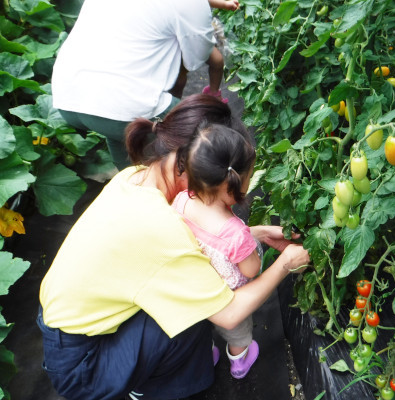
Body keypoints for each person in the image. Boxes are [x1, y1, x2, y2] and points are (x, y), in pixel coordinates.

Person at [37, 94, 310, 400]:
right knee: (196, 310)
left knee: (194, 290)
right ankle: (145, 389)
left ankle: (168, 370)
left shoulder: (136, 177)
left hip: (68, 323)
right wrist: (285, 263)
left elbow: (199, 238)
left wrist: (254, 233)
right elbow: (230, 313)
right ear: (192, 161)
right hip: (85, 363)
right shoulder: (161, 226)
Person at [52, 0, 235, 170]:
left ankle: (131, 186)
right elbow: (196, 58)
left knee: (122, 138)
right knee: (209, 137)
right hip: (121, 103)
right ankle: (192, 195)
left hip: (67, 95)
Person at [171, 121, 261, 379]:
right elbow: (251, 269)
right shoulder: (235, 233)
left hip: (195, 289)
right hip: (228, 298)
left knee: (201, 330)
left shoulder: (180, 200)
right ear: (233, 184)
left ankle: (207, 355)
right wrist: (255, 246)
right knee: (238, 333)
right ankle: (239, 362)